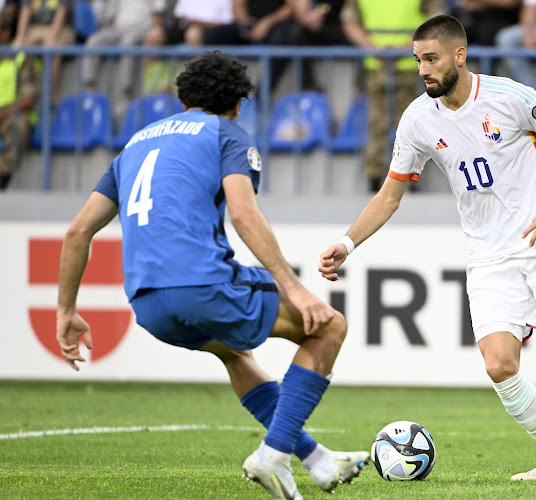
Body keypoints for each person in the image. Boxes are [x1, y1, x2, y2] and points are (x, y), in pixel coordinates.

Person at [319, 15, 536, 480]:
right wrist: (346, 242)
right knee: (498, 365)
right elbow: (389, 194)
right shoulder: (417, 119)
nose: (423, 70)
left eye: (431, 59)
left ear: (460, 54)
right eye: (417, 61)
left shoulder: (511, 97)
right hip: (489, 256)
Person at [55, 51, 368, 500]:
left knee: (235, 354)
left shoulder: (134, 145)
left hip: (146, 303)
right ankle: (273, 457)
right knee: (328, 327)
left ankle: (317, 461)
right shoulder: (226, 133)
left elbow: (78, 230)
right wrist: (297, 290)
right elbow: (243, 213)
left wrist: (66, 310)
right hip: (200, 283)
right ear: (238, 103)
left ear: (183, 97)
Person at [340, 0, 445, 192]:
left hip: (405, 65)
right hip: (393, 63)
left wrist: (375, 49)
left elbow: (436, 21)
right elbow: (350, 21)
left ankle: (401, 177)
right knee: (380, 123)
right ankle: (381, 179)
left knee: (408, 124)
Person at [82, 0, 166, 116]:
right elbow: (110, 17)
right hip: (118, 29)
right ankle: (89, 89)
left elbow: (159, 11)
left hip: (142, 28)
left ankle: (125, 94)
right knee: (93, 41)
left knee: (127, 43)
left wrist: (156, 29)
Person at [0, 9, 37, 190]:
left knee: (17, 126)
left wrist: (5, 113)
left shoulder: (20, 56)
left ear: (6, 32)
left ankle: (3, 176)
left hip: (14, 113)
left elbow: (29, 98)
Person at [13, 0, 75, 93]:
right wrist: (20, 36)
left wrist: (52, 39)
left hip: (62, 29)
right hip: (36, 28)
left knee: (52, 50)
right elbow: (25, 11)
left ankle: (48, 98)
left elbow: (62, 12)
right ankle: (25, 93)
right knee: (17, 48)